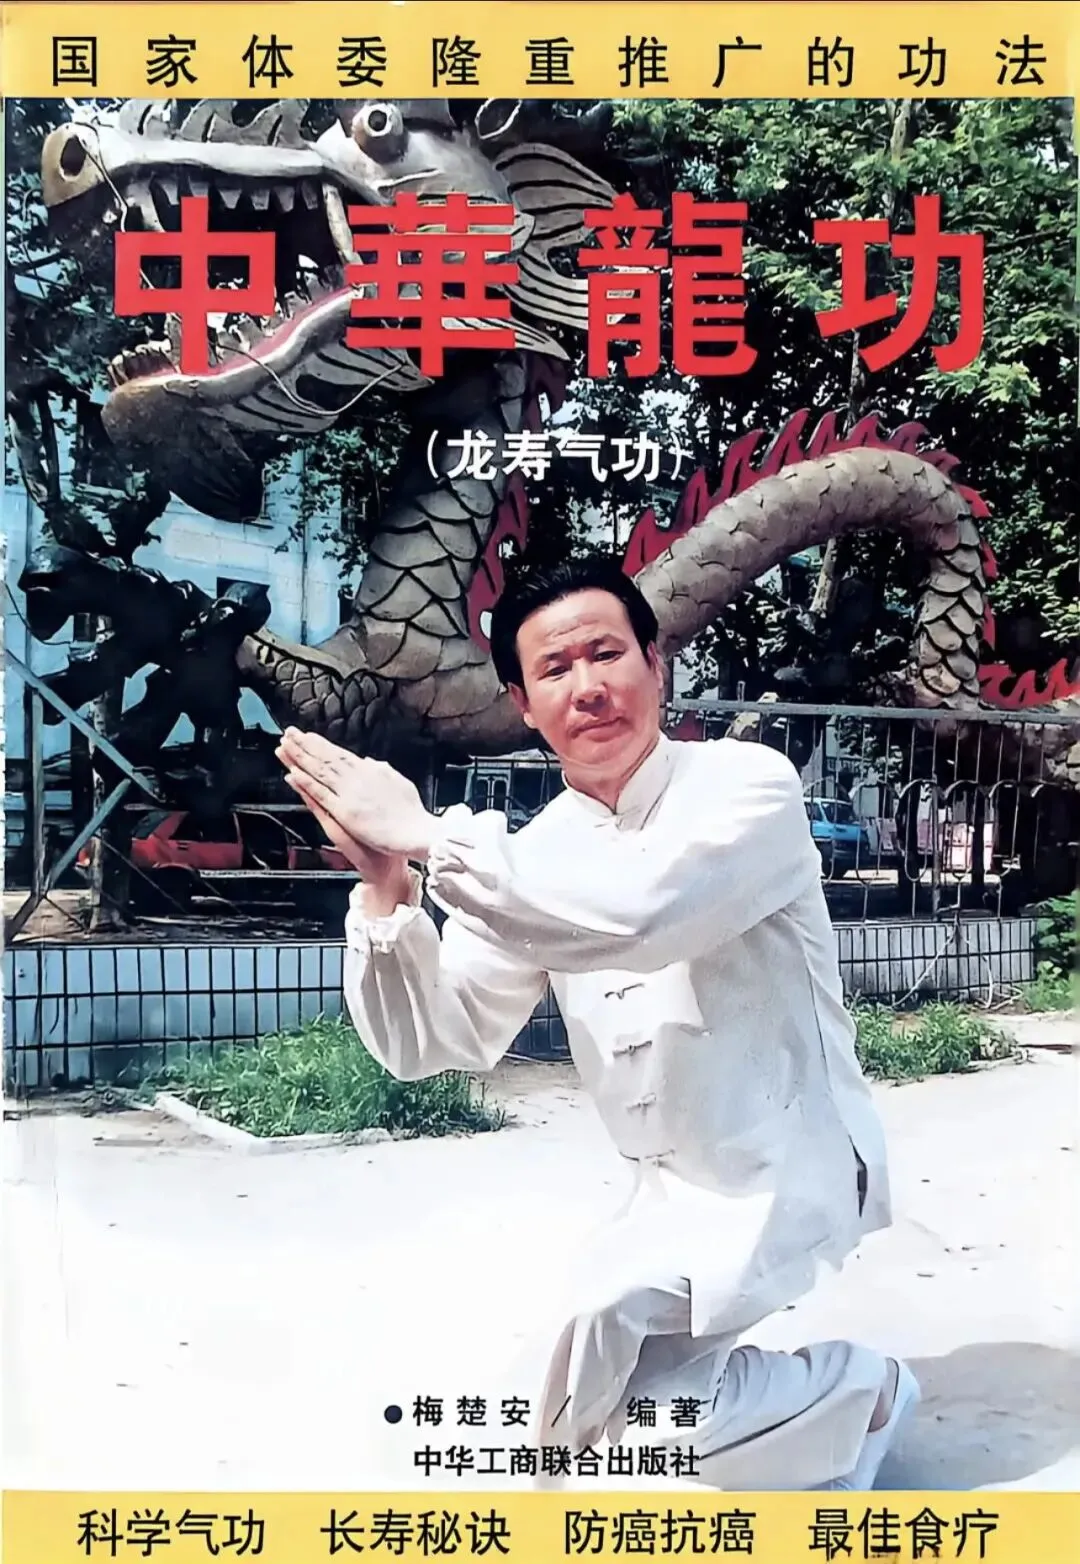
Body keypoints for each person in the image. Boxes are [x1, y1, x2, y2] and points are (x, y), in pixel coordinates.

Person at [276, 553, 920, 1492]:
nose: (587, 687)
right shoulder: (537, 854)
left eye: (606, 654)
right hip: (665, 1197)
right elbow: (440, 1038)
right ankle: (795, 1419)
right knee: (552, 1430)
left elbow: (644, 915)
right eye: (555, 669)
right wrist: (387, 890)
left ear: (656, 664)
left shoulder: (749, 786)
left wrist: (428, 833)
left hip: (788, 1167)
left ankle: (861, 1390)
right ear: (523, 704)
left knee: (612, 1429)